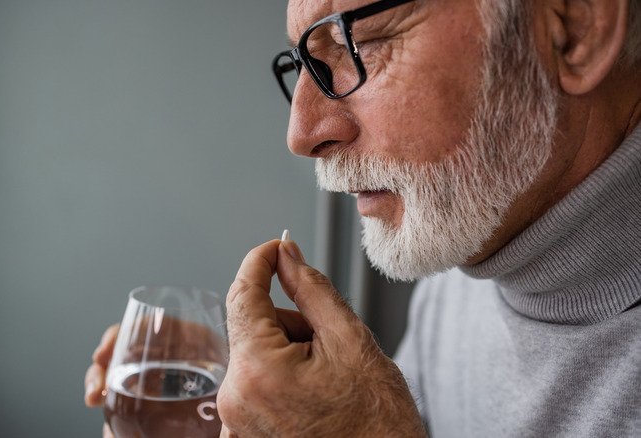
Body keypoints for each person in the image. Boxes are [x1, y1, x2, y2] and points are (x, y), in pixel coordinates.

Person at [86, 0, 641, 435]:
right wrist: (252, 400)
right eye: (303, 63)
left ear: (574, 26)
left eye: (359, 42)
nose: (301, 134)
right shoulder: (472, 248)